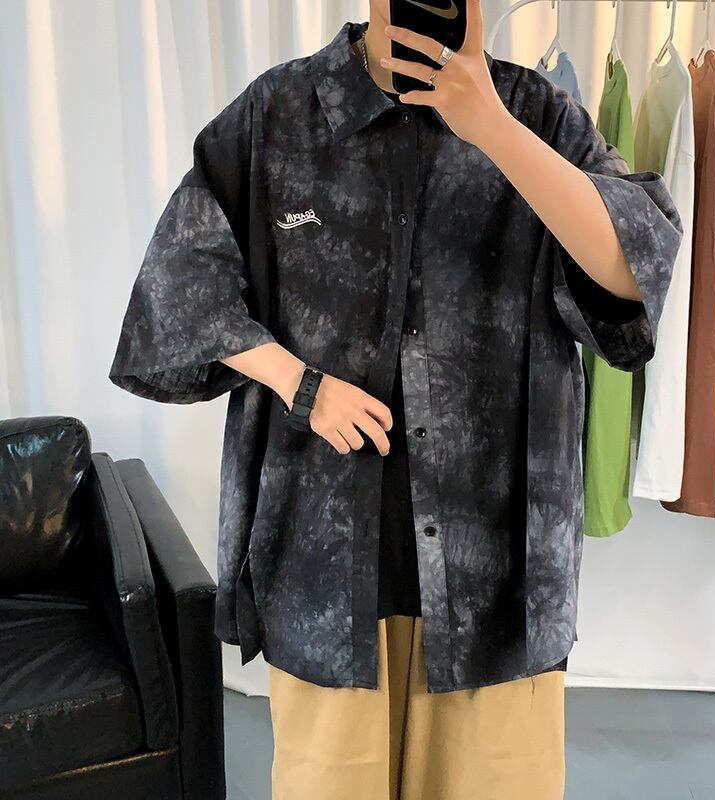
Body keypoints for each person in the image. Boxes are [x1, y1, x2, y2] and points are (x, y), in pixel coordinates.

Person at [109, 1, 682, 797]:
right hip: (323, 572)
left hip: (497, 591)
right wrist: (298, 383)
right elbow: (176, 286)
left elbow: (638, 269)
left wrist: (494, 129)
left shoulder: (539, 116)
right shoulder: (280, 114)